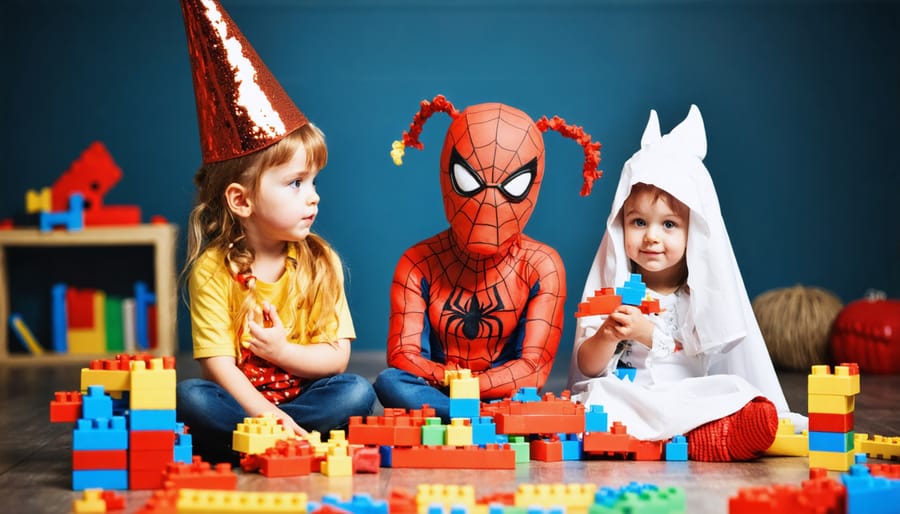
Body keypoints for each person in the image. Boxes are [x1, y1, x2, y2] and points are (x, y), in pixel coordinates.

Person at [175, 0, 374, 464]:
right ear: (241, 201)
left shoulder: (318, 263)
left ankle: (266, 441)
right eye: (295, 183)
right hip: (245, 405)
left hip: (304, 398)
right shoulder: (212, 269)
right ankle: (280, 438)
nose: (314, 197)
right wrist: (265, 412)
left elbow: (336, 359)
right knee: (192, 397)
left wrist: (283, 351)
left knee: (355, 393)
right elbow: (217, 364)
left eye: (314, 182)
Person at [568, 105, 807, 462]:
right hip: (630, 397)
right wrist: (607, 334)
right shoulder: (614, 292)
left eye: (668, 225)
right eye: (638, 222)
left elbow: (697, 354)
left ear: (693, 232)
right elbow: (586, 367)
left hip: (685, 396)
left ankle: (700, 435)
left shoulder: (695, 297)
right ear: (620, 226)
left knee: (735, 390)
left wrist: (647, 331)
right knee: (597, 398)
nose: (651, 237)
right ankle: (682, 440)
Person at [375, 95, 603, 421]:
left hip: (499, 390)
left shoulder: (541, 265)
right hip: (441, 387)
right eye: (469, 181)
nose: (489, 202)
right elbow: (403, 355)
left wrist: (473, 385)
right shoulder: (418, 261)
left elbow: (532, 368)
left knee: (525, 396)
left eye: (512, 185)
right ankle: (484, 418)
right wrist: (454, 382)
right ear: (447, 175)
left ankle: (459, 414)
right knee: (390, 383)